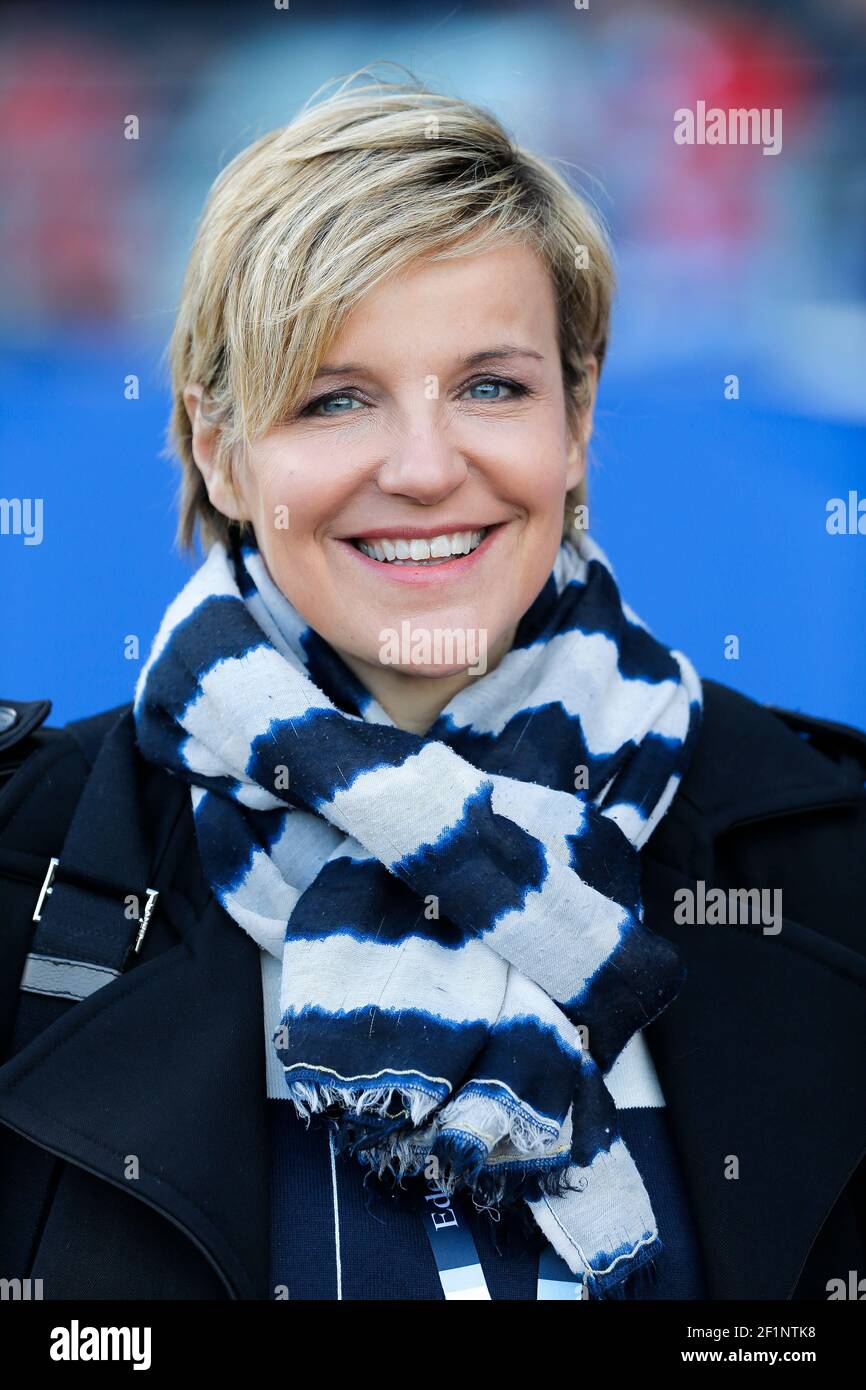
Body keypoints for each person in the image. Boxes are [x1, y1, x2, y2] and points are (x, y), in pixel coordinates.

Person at [1, 71, 864, 1304]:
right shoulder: (27, 870)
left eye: (490, 386)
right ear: (219, 451)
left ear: (573, 423)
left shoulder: (833, 856)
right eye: (334, 398)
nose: (421, 467)